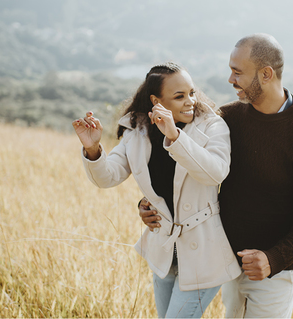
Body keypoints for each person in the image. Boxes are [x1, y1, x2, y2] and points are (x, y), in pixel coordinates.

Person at [137, 33, 293, 318]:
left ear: (266, 74)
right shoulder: (224, 119)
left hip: (274, 274)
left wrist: (273, 259)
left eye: (238, 72)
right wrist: (150, 203)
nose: (230, 79)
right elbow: (183, 168)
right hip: (225, 260)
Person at [75, 62, 239, 318]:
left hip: (204, 254)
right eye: (179, 96)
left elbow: (214, 173)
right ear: (156, 100)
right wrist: (93, 149)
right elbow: (107, 177)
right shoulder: (137, 132)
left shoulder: (213, 126)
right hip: (163, 250)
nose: (190, 102)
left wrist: (174, 136)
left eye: (192, 93)